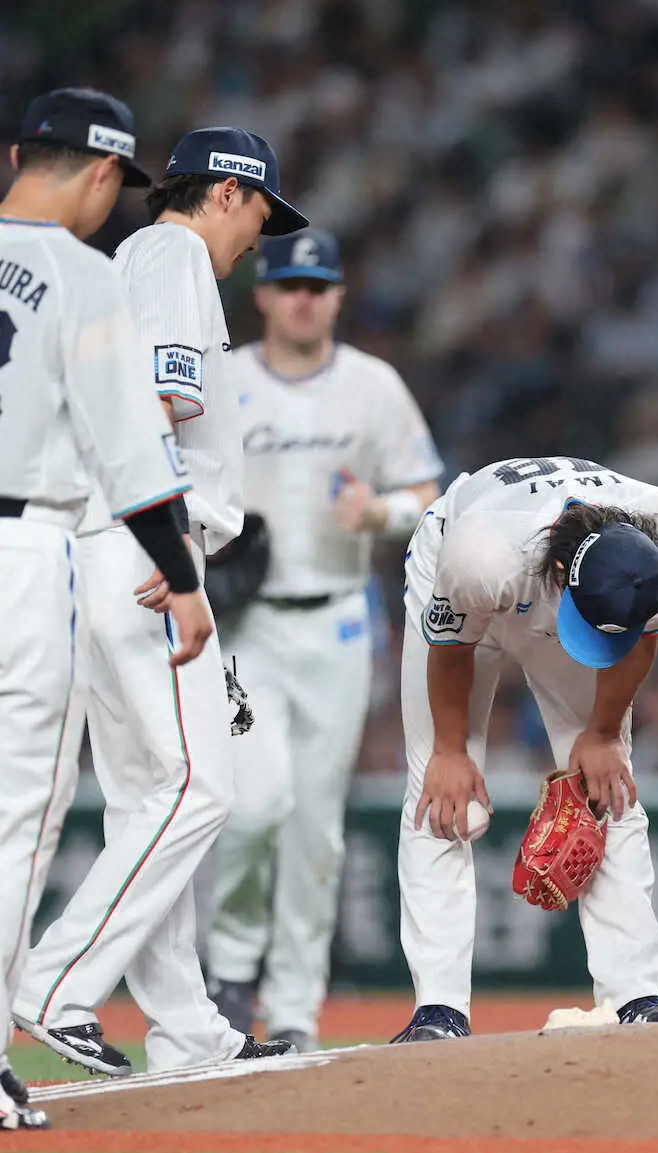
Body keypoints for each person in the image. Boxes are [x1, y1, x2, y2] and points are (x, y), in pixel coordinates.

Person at [13, 127, 310, 1076]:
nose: (261, 235)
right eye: (261, 210)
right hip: (139, 550)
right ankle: (53, 985)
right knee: (197, 788)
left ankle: (187, 1029)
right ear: (225, 192)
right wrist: (176, 544)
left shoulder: (136, 257)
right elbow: (154, 401)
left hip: (100, 548)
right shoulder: (176, 253)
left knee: (153, 796)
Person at [0, 87, 211, 1130]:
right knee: (17, 818)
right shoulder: (82, 278)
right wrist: (179, 574)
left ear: (13, 154)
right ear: (98, 175)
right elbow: (134, 460)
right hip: (26, 546)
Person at [204, 229, 443, 1053]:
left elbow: (426, 490)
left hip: (338, 617)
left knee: (315, 823)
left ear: (338, 295)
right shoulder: (225, 378)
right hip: (245, 623)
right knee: (250, 803)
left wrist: (380, 513)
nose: (304, 297)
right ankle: (230, 970)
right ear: (263, 294)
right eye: (290, 283)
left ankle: (297, 1005)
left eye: (318, 283)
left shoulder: (372, 386)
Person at [392, 457, 658, 1042]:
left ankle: (637, 993)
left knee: (609, 785)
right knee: (441, 797)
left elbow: (641, 642)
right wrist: (449, 750)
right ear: (563, 573)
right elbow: (451, 648)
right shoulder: (480, 555)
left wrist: (604, 733)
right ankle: (438, 1011)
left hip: (574, 593)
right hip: (468, 584)